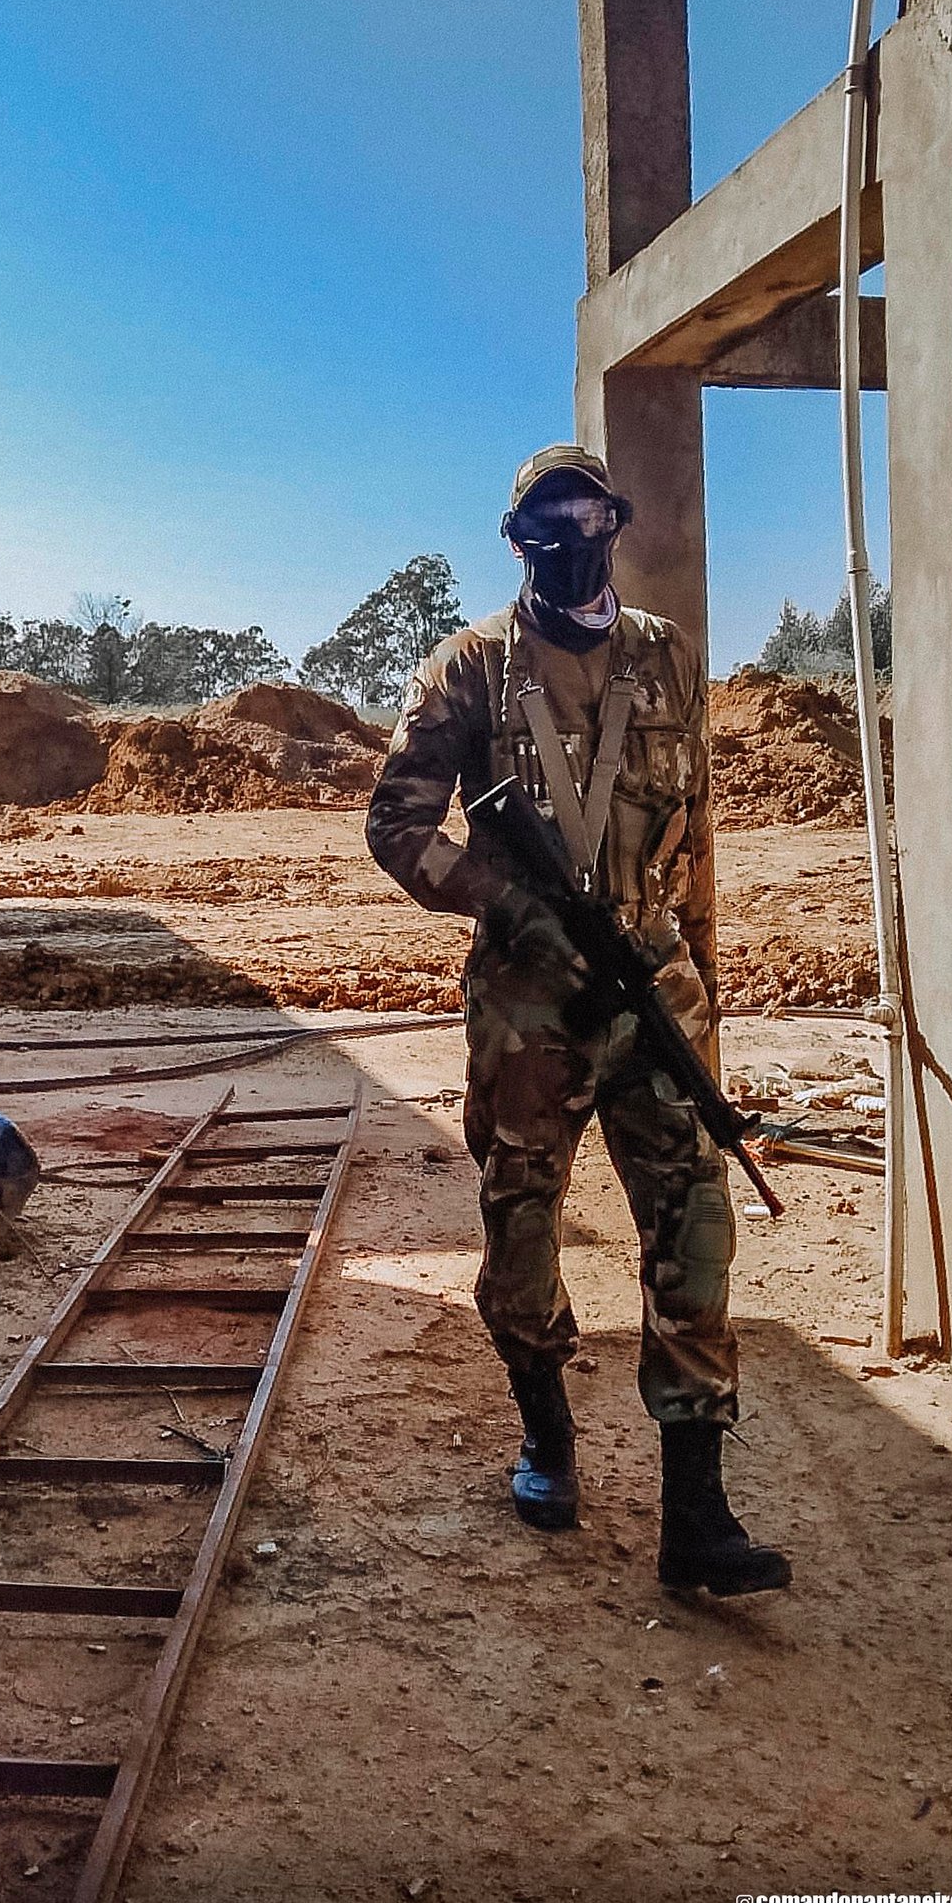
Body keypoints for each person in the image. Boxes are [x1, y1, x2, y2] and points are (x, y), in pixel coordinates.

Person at [366, 448, 789, 1596]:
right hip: (528, 1003)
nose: (568, 537)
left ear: (617, 521)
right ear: (516, 539)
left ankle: (695, 1515)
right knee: (519, 1232)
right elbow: (397, 826)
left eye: (587, 515)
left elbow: (695, 834)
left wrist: (701, 991)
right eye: (544, 522)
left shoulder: (667, 656)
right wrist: (510, 907)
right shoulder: (468, 668)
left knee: (694, 1227)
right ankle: (547, 1435)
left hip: (650, 987)